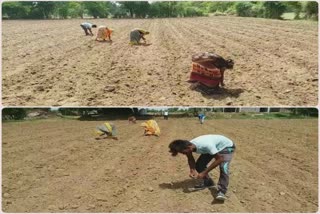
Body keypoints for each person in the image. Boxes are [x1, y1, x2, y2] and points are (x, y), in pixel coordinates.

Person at [168, 135, 236, 201]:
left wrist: (204, 172)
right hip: (214, 147)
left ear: (189, 147)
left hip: (226, 147)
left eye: (183, 152)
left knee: (223, 167)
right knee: (199, 165)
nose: (183, 154)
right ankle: (208, 183)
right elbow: (190, 158)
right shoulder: (189, 146)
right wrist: (192, 169)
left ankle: (222, 191)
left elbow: (220, 159)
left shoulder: (206, 145)